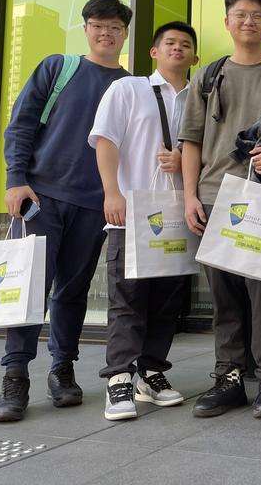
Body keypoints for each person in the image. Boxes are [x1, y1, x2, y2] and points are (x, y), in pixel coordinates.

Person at [0, 0, 133, 422]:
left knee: (72, 291)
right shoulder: (59, 68)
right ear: (86, 28)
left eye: (115, 27)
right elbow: (21, 124)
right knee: (30, 289)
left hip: (94, 205)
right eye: (98, 25)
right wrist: (17, 180)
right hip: (42, 198)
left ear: (125, 34)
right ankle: (14, 377)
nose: (106, 33)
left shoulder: (130, 85)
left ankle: (62, 369)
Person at [180, 0, 261, 419]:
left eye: (257, 15)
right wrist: (189, 196)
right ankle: (228, 379)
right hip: (216, 199)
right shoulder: (209, 75)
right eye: (241, 15)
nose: (249, 21)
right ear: (227, 21)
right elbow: (191, 141)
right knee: (225, 297)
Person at [89, 21, 199, 421]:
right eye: (169, 43)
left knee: (168, 300)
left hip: (178, 215)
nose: (177, 49)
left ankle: (150, 372)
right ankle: (118, 378)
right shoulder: (127, 89)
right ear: (153, 51)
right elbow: (105, 141)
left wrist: (185, 162)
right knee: (128, 299)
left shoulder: (197, 99)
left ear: (195, 57)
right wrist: (111, 192)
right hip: (133, 211)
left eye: (185, 45)